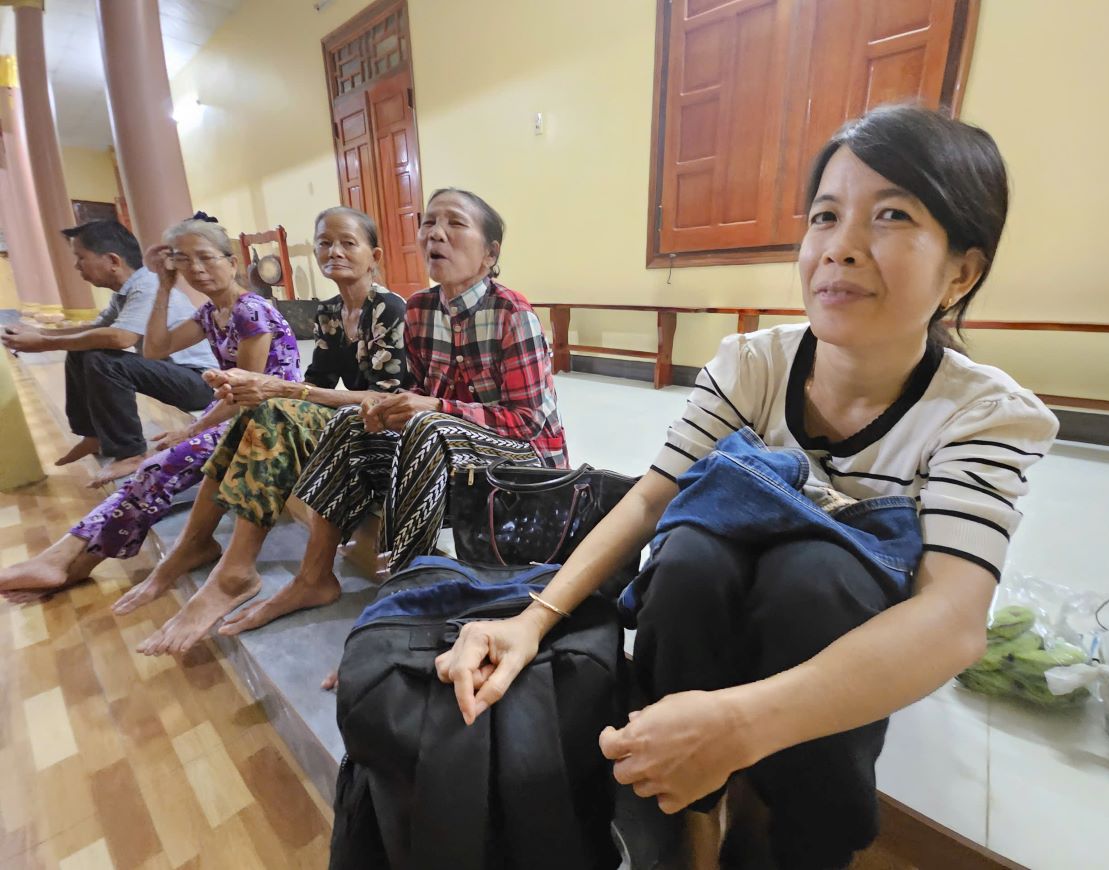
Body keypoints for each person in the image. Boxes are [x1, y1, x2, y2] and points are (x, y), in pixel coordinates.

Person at [433, 106, 1060, 868]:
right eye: (825, 215)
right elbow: (650, 498)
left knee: (816, 579)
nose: (841, 247)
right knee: (688, 559)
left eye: (892, 215)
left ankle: (779, 824)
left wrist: (740, 729)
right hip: (716, 606)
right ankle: (690, 817)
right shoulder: (754, 365)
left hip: (821, 634)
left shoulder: (983, 413)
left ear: (962, 271)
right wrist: (532, 619)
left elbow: (953, 620)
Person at [164, 187, 566, 652]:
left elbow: (528, 423)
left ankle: (405, 605)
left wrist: (431, 408)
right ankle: (314, 576)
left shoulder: (510, 313)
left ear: (489, 254)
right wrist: (388, 411)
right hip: (454, 450)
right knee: (352, 422)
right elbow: (414, 394)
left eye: (455, 223)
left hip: (522, 465)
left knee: (425, 427)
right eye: (429, 223)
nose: (436, 233)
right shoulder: (421, 309)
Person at [119, 207, 410, 655]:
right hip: (348, 417)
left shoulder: (388, 308)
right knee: (260, 412)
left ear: (374, 256)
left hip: (387, 426)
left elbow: (384, 400)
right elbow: (316, 382)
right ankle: (198, 546)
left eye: (347, 243)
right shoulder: (330, 311)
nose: (333, 251)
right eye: (325, 243)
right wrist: (276, 395)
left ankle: (234, 571)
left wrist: (280, 392)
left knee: (274, 411)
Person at [0, 215, 301, 602]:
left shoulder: (251, 311)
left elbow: (247, 393)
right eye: (184, 260)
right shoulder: (211, 313)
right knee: (156, 466)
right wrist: (163, 286)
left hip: (272, 417)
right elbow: (156, 349)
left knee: (158, 466)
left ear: (231, 262)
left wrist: (190, 430)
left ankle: (72, 561)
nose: (196, 268)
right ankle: (65, 556)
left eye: (205, 257)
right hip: (239, 414)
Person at [0, 219, 217, 481]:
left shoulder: (148, 286)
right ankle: (94, 435)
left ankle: (130, 453)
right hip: (173, 373)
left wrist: (44, 343)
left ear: (113, 260)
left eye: (81, 257)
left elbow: (121, 338)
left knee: (103, 358)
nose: (76, 266)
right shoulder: (126, 292)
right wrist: (39, 333)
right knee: (84, 348)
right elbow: (94, 330)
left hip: (201, 382)